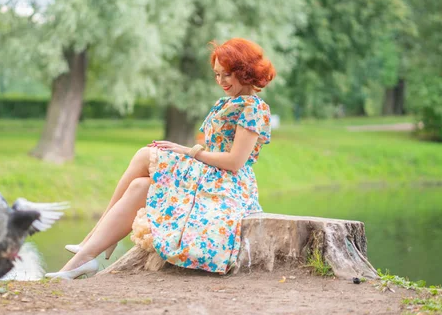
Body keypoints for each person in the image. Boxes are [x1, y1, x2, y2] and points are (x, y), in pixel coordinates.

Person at [45, 38, 276, 279]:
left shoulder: (253, 108)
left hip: (229, 185)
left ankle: (92, 239)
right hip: (209, 175)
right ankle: (81, 260)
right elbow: (215, 149)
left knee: (146, 155)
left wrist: (187, 151)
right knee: (139, 186)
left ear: (245, 71)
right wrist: (188, 154)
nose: (221, 81)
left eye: (227, 74)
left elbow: (235, 162)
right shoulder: (226, 103)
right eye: (217, 75)